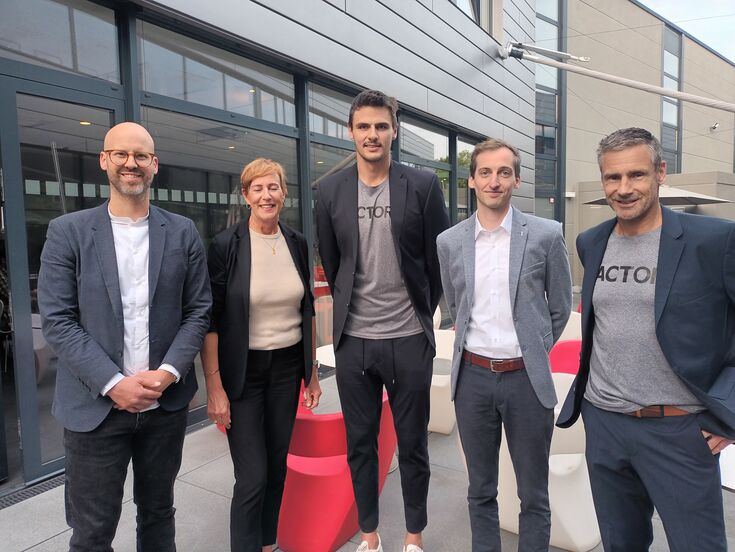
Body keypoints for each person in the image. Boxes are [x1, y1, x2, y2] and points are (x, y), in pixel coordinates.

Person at [557, 127, 735, 551]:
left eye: (636, 175)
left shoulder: (713, 239)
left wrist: (730, 409)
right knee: (622, 544)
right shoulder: (591, 241)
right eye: (612, 178)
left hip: (679, 430)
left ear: (660, 173)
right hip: (604, 423)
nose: (623, 189)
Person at [38, 122, 211, 551]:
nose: (130, 163)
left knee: (158, 515)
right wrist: (115, 384)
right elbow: (58, 320)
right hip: (94, 410)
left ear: (155, 165)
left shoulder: (182, 231)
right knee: (92, 530)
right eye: (121, 154)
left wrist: (170, 372)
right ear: (104, 161)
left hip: (163, 406)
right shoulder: (68, 232)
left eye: (140, 156)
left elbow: (198, 310)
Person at [315, 90, 449, 552]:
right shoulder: (330, 190)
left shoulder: (424, 185)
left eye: (381, 126)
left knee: (413, 444)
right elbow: (333, 264)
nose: (372, 135)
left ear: (394, 131)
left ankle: (413, 537)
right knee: (361, 445)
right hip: (354, 342)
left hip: (409, 338)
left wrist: (422, 318)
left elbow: (437, 261)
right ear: (350, 131)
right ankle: (369, 535)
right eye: (364, 127)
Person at [437, 138, 572, 551]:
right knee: (480, 490)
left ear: (516, 179)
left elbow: (561, 306)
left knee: (534, 495)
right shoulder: (449, 242)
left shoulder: (546, 235)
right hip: (473, 380)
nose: (494, 181)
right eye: (485, 172)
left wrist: (533, 348)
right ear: (472, 180)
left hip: (526, 381)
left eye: (503, 172)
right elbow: (453, 303)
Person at [201, 158, 321, 552]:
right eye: (258, 188)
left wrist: (312, 373)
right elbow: (212, 321)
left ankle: (267, 545)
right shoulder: (225, 246)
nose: (266, 195)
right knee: (251, 476)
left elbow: (307, 309)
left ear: (284, 194)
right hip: (244, 374)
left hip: (287, 369)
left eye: (274, 187)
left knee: (275, 469)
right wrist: (215, 389)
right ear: (246, 195)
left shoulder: (298, 242)